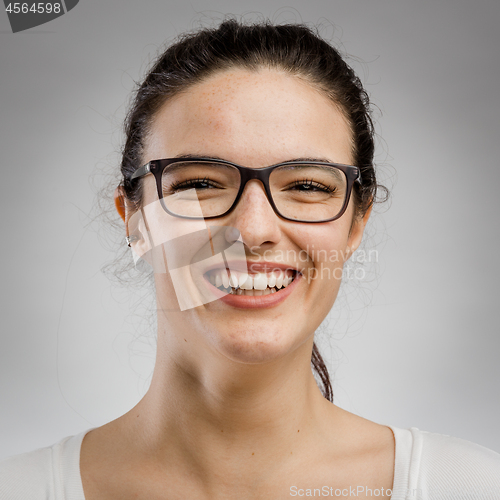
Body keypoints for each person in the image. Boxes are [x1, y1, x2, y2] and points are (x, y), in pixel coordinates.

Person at [1, 19, 499, 500]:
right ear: (136, 220)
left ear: (357, 221)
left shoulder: (468, 489)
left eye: (307, 186)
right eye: (199, 183)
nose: (254, 230)